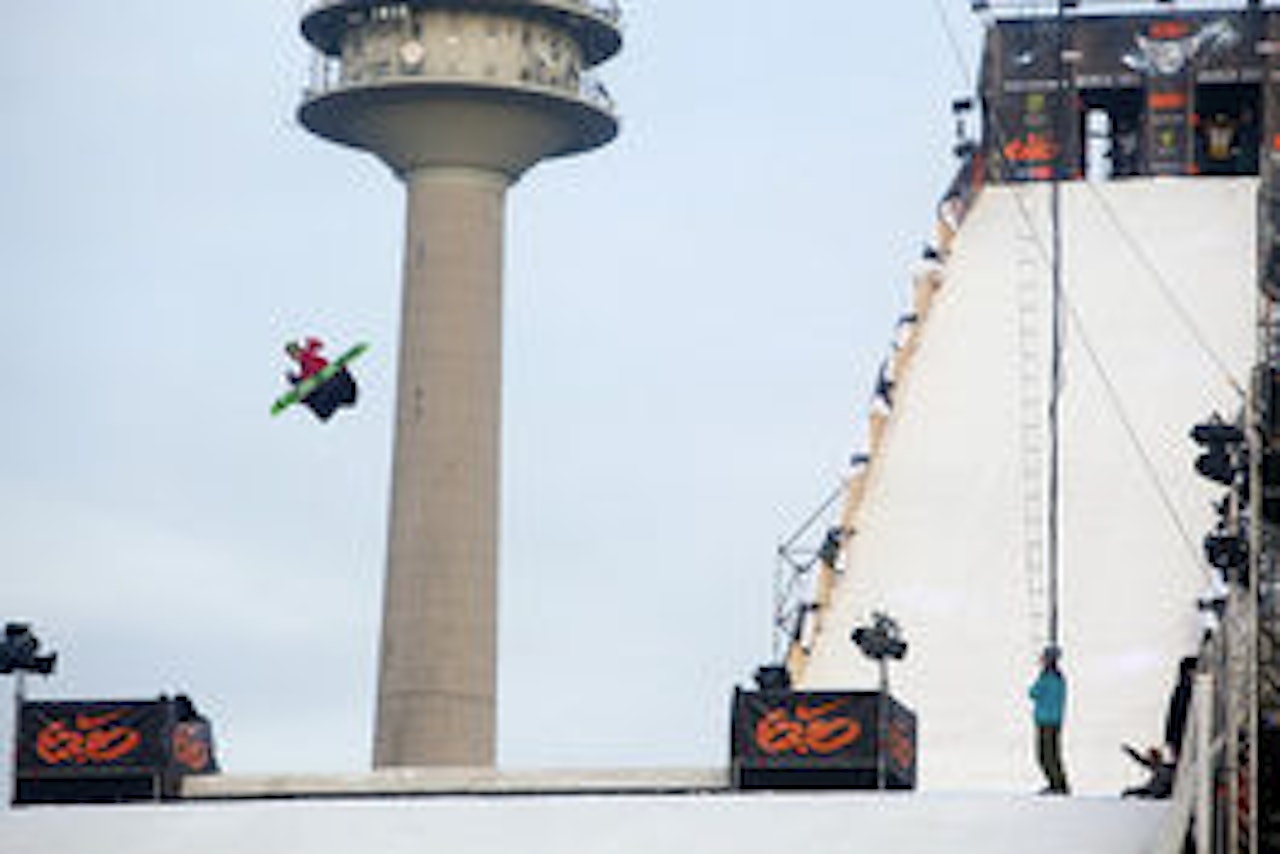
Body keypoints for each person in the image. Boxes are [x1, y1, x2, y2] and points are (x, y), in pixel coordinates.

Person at [1030, 645, 1070, 794]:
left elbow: (1033, 692)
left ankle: (1057, 784)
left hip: (1045, 720)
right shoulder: (1060, 678)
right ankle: (1058, 783)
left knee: (1045, 755)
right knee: (1053, 754)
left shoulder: (1047, 677)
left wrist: (1040, 678)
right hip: (1055, 720)